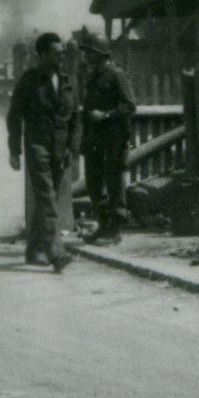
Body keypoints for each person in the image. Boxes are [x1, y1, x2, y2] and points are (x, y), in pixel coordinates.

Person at [7, 32, 81, 272]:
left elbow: (75, 119)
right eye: (56, 53)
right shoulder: (29, 81)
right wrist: (14, 150)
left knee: (47, 201)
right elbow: (14, 116)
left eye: (62, 53)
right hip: (37, 146)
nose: (61, 57)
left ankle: (33, 250)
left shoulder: (68, 81)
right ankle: (56, 253)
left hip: (60, 149)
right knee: (48, 201)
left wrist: (72, 148)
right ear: (41, 55)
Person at [78, 33, 136, 244]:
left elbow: (129, 105)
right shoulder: (92, 76)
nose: (86, 56)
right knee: (94, 183)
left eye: (90, 52)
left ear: (101, 54)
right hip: (94, 138)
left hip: (114, 138)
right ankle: (103, 226)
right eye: (86, 52)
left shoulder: (116, 75)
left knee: (114, 183)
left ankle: (115, 231)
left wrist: (106, 115)